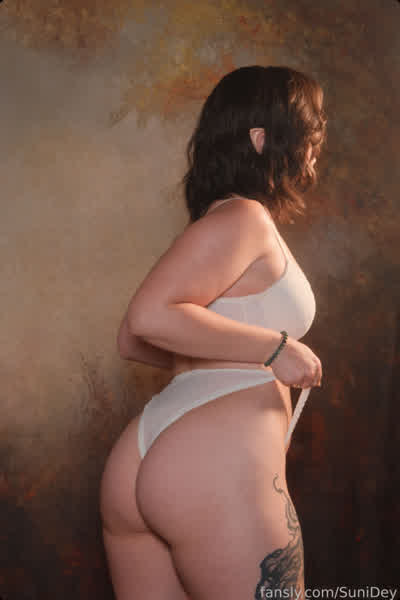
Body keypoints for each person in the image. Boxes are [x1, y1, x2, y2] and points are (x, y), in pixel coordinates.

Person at [99, 65, 327, 600]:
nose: (318, 138)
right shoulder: (245, 219)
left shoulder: (216, 222)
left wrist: (232, 358)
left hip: (149, 449)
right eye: (309, 127)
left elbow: (131, 341)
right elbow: (146, 319)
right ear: (260, 139)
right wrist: (275, 349)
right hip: (216, 463)